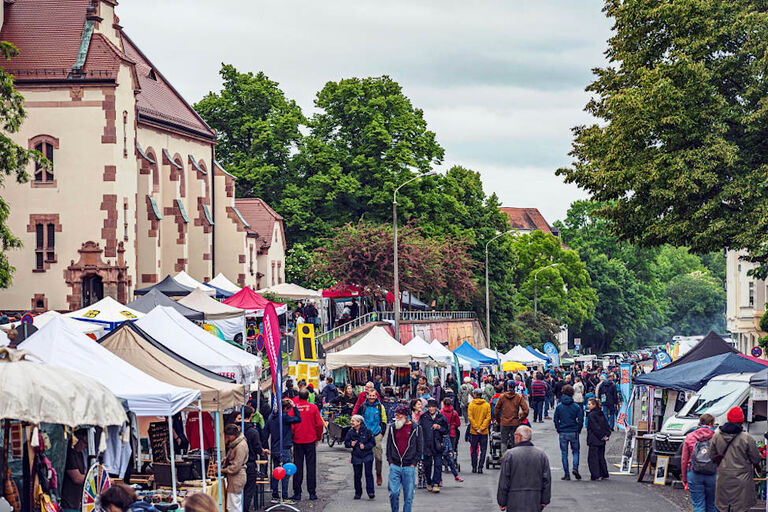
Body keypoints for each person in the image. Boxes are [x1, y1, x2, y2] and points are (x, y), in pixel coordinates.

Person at [710, 406, 762, 512]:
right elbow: (756, 458)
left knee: (723, 507)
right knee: (741, 507)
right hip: (742, 480)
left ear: (728, 418)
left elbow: (711, 455)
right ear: (741, 420)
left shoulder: (717, 436)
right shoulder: (746, 438)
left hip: (723, 477)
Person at [496, 426, 551, 512]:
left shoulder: (510, 455)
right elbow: (546, 479)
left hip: (514, 500)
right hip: (535, 499)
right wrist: (545, 500)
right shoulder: (541, 455)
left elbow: (504, 480)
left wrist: (502, 501)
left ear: (519, 437)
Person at [264, 399, 302, 503]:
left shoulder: (271, 417)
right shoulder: (284, 417)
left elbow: (265, 432)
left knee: (276, 472)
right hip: (284, 448)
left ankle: (275, 495)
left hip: (274, 448)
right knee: (286, 472)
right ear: (286, 409)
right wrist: (294, 407)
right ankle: (284, 496)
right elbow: (298, 419)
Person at [387, 405, 422, 512]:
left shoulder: (416, 428)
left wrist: (413, 463)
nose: (396, 417)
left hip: (409, 466)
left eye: (399, 415)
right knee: (393, 493)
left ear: (406, 416)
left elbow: (419, 447)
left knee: (408, 496)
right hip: (395, 465)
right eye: (395, 415)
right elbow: (389, 446)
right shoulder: (393, 427)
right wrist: (391, 462)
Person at [290, 389, 324, 501]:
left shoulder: (295, 408)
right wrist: (318, 437)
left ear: (298, 396)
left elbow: (291, 424)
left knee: (297, 466)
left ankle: (297, 492)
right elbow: (319, 424)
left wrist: (293, 435)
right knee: (311, 467)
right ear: (308, 396)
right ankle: (312, 492)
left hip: (298, 440)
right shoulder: (313, 407)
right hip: (310, 440)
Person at [681, 413, 717, 511]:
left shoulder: (690, 436)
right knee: (712, 504)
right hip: (712, 473)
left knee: (698, 505)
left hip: (694, 472)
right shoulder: (716, 437)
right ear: (711, 423)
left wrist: (684, 479)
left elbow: (684, 459)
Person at [553, 384, 583, 480]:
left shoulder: (559, 406)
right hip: (573, 430)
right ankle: (575, 467)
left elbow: (555, 419)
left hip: (563, 431)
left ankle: (566, 474)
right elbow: (581, 419)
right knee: (575, 451)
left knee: (564, 453)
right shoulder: (576, 406)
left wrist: (558, 428)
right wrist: (578, 428)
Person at [357, 390, 387, 486]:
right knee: (364, 457)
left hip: (376, 434)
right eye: (370, 395)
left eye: (373, 395)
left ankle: (378, 474)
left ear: (376, 396)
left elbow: (384, 420)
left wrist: (382, 433)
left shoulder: (380, 406)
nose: (371, 397)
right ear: (367, 396)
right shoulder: (363, 406)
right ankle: (366, 476)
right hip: (365, 434)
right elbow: (358, 419)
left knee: (378, 457)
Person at [242, 405, 269, 512]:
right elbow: (258, 448)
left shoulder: (236, 430)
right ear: (251, 415)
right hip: (250, 463)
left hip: (237, 464)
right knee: (249, 490)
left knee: (238, 491)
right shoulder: (253, 432)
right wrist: (263, 451)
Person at [418, 399, 448, 492]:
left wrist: (440, 428)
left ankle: (436, 483)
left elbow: (446, 430)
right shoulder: (424, 417)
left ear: (436, 408)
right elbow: (419, 430)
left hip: (438, 444)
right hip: (426, 444)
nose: (431, 409)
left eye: (433, 407)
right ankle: (428, 482)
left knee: (438, 464)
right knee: (427, 465)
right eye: (429, 407)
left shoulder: (441, 417)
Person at [344, 414, 376, 500]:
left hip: (367, 454)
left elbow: (373, 443)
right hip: (356, 455)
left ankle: (370, 492)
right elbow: (346, 443)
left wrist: (365, 446)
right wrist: (351, 444)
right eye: (351, 421)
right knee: (357, 475)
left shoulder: (368, 431)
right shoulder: (350, 432)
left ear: (359, 422)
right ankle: (358, 492)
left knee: (368, 474)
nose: (351, 422)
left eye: (353, 421)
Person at [221, 424, 248, 512]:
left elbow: (235, 467)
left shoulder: (240, 446)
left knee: (234, 505)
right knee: (233, 504)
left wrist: (222, 470)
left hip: (237, 478)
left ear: (232, 435)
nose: (227, 438)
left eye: (228, 436)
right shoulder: (237, 444)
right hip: (235, 478)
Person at [494, 382, 529, 449]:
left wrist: (498, 420)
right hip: (514, 422)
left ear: (508, 387)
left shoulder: (502, 397)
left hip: (504, 422)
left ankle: (504, 457)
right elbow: (526, 410)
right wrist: (520, 419)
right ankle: (514, 456)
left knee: (503, 441)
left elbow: (496, 409)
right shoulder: (518, 397)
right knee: (514, 441)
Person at [61, 429, 88, 512]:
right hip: (68, 502)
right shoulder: (70, 454)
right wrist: (91, 478)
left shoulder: (79, 454)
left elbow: (85, 472)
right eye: (84, 443)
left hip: (76, 502)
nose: (86, 446)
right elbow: (77, 478)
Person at [585, 398, 611, 481]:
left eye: (589, 404)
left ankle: (596, 474)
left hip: (594, 438)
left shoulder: (591, 415)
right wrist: (606, 435)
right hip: (601, 439)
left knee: (593, 458)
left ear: (594, 405)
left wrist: (602, 436)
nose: (588, 406)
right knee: (600, 456)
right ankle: (603, 473)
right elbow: (606, 425)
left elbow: (595, 427)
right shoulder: (601, 413)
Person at [468, 388, 491, 474]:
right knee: (483, 450)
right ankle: (480, 467)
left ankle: (474, 466)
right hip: (484, 431)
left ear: (474, 395)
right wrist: (482, 428)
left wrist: (476, 427)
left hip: (474, 431)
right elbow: (488, 418)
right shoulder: (486, 405)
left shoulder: (471, 405)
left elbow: (470, 417)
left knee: (474, 449)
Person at [440, 397, 463, 482]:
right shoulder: (454, 412)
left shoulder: (441, 412)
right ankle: (452, 462)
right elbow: (458, 423)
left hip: (444, 433)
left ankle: (445, 464)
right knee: (451, 449)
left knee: (444, 448)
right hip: (452, 432)